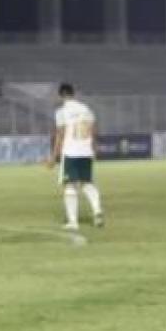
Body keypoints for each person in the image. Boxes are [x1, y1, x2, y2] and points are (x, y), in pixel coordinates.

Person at [47, 83, 104, 230]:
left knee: (69, 185)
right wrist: (94, 147)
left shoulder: (61, 111)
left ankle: (73, 222)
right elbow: (92, 130)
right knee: (87, 183)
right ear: (73, 94)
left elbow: (60, 134)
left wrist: (54, 156)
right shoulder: (85, 109)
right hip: (85, 151)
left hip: (71, 151)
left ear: (61, 95)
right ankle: (97, 211)